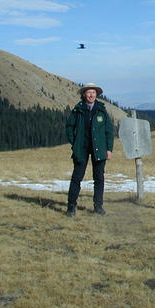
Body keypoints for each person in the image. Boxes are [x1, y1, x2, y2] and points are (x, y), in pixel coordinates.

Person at [65, 82, 114, 217]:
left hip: (99, 149)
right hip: (81, 148)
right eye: (88, 92)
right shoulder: (78, 109)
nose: (91, 95)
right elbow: (69, 126)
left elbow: (109, 130)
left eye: (93, 92)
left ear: (96, 94)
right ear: (84, 94)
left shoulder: (101, 110)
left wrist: (109, 149)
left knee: (99, 178)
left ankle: (98, 206)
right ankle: (71, 207)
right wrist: (74, 142)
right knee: (77, 177)